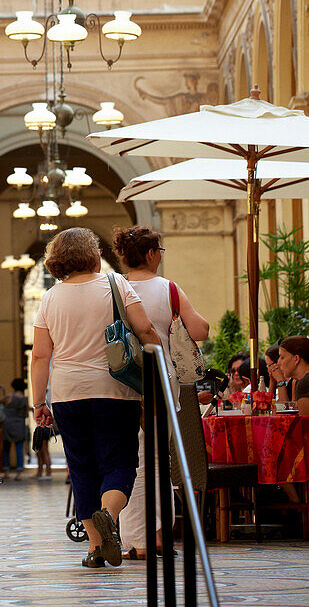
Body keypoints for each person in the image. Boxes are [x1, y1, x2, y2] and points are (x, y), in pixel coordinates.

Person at [31, 227, 161, 569]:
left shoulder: (50, 298)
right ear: (92, 253)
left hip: (67, 394)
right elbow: (145, 329)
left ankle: (95, 548)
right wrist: (160, 361)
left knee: (82, 470)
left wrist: (38, 402)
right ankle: (109, 513)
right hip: (115, 390)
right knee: (119, 463)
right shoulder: (116, 284)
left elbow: (40, 356)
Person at [113, 225, 209, 561]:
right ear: (152, 254)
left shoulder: (112, 287)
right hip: (159, 376)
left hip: (120, 379)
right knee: (157, 458)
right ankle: (156, 537)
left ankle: (133, 539)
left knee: (128, 460)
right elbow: (200, 329)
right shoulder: (167, 288)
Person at [1, 379, 28, 479]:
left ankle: (6, 471)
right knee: (19, 448)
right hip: (20, 424)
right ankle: (19, 472)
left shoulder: (9, 396)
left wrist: (0, 390)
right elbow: (25, 414)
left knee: (6, 448)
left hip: (8, 424)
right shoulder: (25, 399)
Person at [278, 336, 309, 415]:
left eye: (282, 357)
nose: (278, 363)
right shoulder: (299, 382)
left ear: (296, 359)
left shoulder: (305, 383)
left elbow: (305, 424)